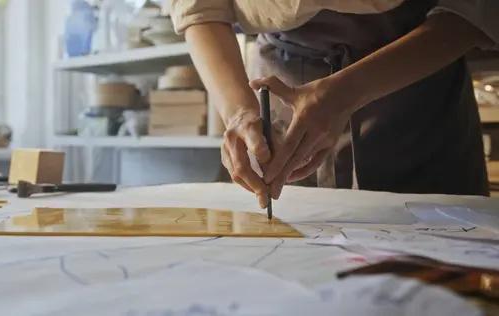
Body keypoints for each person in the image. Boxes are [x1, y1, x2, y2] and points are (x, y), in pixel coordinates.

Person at [168, 0, 499, 208]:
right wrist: (239, 109)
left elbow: (472, 11)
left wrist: (347, 92)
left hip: (414, 73)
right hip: (282, 81)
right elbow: (199, 9)